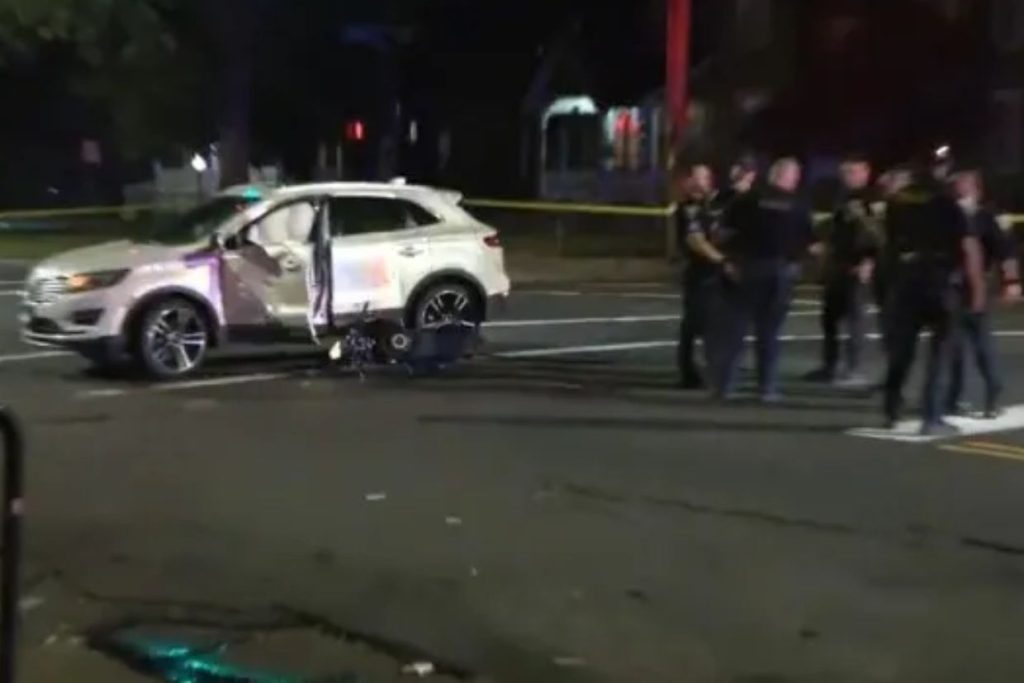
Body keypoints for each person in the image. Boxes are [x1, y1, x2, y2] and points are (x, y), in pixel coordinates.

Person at [882, 154, 986, 435]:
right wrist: (976, 288)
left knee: (902, 351)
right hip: (940, 281)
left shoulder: (897, 204)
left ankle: (891, 406)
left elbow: (890, 245)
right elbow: (968, 249)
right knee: (939, 354)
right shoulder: (949, 205)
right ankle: (932, 416)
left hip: (907, 281)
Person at [710, 157, 818, 401]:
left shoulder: (746, 200)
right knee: (769, 332)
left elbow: (722, 234)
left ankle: (725, 385)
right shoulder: (798, 204)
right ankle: (767, 387)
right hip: (781, 272)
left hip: (746, 269)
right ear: (789, 177)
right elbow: (809, 242)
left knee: (735, 330)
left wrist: (729, 259)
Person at [944, 167, 1021, 418]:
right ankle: (954, 397)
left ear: (976, 188)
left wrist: (1011, 281)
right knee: (953, 345)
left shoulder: (988, 216)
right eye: (956, 185)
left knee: (981, 344)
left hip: (976, 286)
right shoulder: (946, 215)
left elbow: (1006, 251)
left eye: (964, 185)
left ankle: (992, 393)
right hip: (950, 287)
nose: (959, 190)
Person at [805, 155, 880, 385]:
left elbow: (876, 235)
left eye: (853, 171)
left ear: (866, 172)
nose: (847, 176)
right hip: (838, 265)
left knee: (855, 321)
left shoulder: (871, 199)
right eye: (845, 172)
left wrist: (869, 261)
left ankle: (854, 368)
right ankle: (830, 366)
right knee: (829, 320)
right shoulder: (843, 197)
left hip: (856, 267)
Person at [676, 164, 727, 388]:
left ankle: (708, 369)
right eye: (695, 178)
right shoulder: (689, 208)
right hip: (700, 273)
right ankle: (691, 372)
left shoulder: (715, 205)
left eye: (703, 178)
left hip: (714, 274)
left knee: (711, 323)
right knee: (697, 324)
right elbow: (695, 240)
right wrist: (723, 260)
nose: (699, 183)